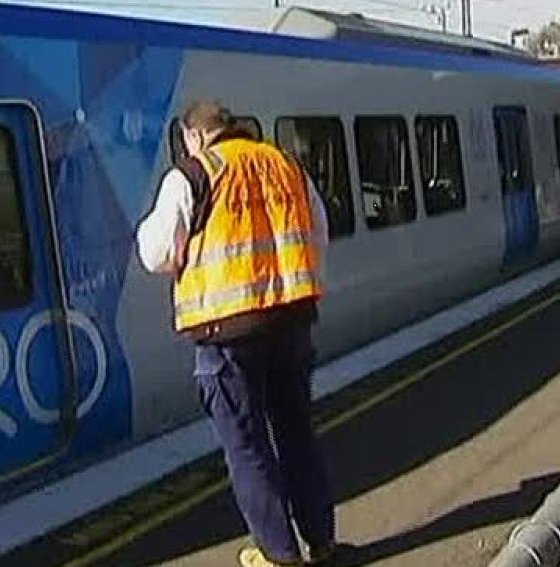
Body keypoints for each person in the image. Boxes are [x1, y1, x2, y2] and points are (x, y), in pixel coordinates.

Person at [137, 101, 335, 567]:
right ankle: (321, 542)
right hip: (291, 321)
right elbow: (318, 231)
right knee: (297, 433)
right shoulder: (286, 165)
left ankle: (279, 554)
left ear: (195, 136)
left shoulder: (191, 175)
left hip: (226, 332)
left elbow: (158, 253)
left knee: (247, 446)